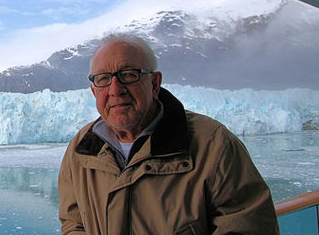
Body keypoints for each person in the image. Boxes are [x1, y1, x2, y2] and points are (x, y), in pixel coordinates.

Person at [58, 33, 279, 234]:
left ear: (154, 83)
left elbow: (248, 227)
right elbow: (73, 223)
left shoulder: (215, 147)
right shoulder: (80, 151)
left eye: (128, 74)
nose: (115, 89)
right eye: (104, 79)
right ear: (94, 91)